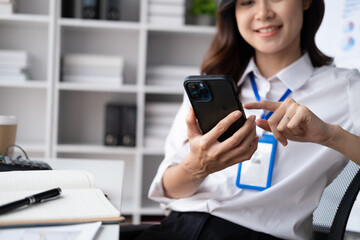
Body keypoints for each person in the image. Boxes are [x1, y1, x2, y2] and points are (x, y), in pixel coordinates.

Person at [138, 0, 360, 239]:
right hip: (178, 227)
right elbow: (170, 190)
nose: (263, 13)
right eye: (246, 2)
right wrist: (198, 166)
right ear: (233, 13)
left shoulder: (346, 89)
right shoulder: (208, 87)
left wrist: (331, 136)